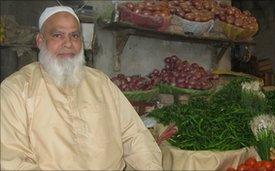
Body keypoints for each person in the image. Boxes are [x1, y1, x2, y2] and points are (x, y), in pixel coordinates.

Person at [0, 6, 162, 170]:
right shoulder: (16, 90)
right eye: (58, 35)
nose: (68, 43)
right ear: (40, 41)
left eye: (75, 35)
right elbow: (13, 160)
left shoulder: (100, 83)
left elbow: (134, 136)